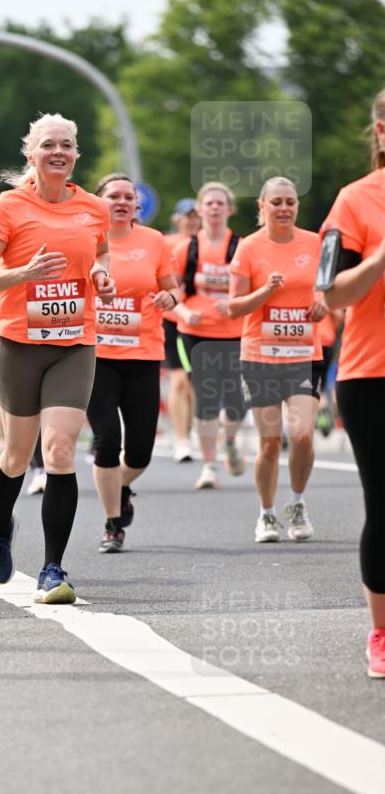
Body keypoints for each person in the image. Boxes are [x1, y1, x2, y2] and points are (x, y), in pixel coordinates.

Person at [0, 112, 115, 603]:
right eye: (49, 144)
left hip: (75, 340)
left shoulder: (93, 208)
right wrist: (26, 274)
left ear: (77, 154)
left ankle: (53, 569)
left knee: (58, 449)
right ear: (31, 154)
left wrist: (100, 274)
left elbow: (99, 253)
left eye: (68, 145)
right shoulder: (10, 206)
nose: (59, 151)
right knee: (16, 456)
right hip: (17, 342)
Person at [320, 88, 385, 678]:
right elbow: (332, 294)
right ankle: (382, 633)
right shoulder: (355, 201)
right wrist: (382, 257)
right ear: (382, 132)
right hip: (373, 373)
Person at [228, 176, 326, 543]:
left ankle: (296, 503)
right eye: (277, 202)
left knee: (301, 435)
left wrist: (324, 305)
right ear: (262, 207)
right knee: (270, 442)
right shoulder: (249, 248)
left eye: (290, 202)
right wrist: (265, 291)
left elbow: (330, 290)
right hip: (261, 355)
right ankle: (266, 514)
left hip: (304, 354)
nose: (284, 208)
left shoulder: (314, 243)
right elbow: (234, 306)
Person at [87, 173, 179, 552]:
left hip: (143, 354)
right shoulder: (87, 240)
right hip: (97, 355)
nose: (122, 202)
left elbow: (172, 287)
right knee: (107, 439)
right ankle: (112, 522)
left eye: (129, 197)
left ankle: (121, 486)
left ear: (137, 206)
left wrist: (169, 299)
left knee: (140, 451)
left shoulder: (154, 241)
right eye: (114, 196)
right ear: (100, 201)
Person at [172, 183, 246, 489]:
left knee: (236, 402)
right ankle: (209, 466)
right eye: (209, 203)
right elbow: (170, 289)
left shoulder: (242, 247)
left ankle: (228, 440)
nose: (214, 208)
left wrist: (236, 304)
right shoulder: (185, 249)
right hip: (195, 333)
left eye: (220, 203)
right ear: (200, 209)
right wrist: (185, 312)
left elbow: (254, 288)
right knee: (206, 398)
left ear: (229, 209)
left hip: (236, 332)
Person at [164, 198, 199, 462]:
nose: (192, 221)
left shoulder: (215, 246)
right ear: (178, 220)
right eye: (187, 216)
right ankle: (181, 439)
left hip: (203, 324)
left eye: (196, 216)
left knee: (197, 384)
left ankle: (189, 429)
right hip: (174, 320)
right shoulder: (168, 244)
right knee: (180, 380)